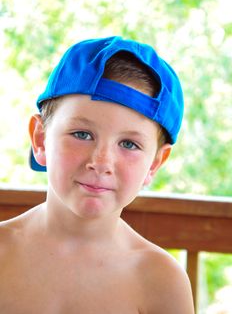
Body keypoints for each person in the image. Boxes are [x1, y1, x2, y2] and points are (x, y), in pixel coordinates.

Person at [0, 36, 194, 313]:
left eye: (129, 144)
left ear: (154, 163)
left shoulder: (161, 281)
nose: (101, 162)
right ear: (41, 140)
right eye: (82, 134)